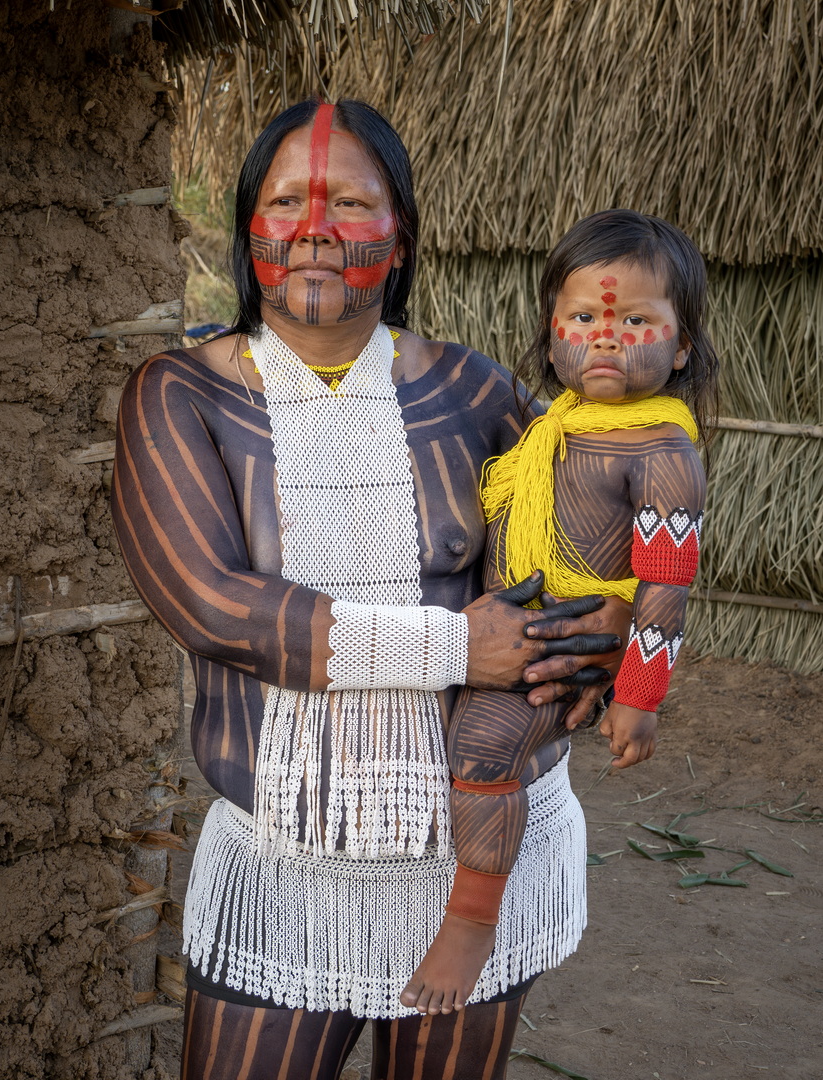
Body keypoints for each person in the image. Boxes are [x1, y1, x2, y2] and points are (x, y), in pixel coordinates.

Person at [111, 100, 630, 1080]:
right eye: (287, 201)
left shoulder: (479, 396)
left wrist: (597, 647)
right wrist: (451, 648)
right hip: (291, 865)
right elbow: (210, 603)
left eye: (351, 202)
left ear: (398, 243)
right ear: (248, 231)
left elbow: (572, 584)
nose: (315, 227)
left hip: (471, 858)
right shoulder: (183, 398)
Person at [401, 210, 719, 1017]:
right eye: (583, 319)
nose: (605, 339)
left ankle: (471, 922)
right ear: (551, 337)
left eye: (636, 321)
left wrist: (640, 700)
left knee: (479, 746)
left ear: (681, 346)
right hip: (496, 637)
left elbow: (664, 591)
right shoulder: (547, 428)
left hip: (553, 654)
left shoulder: (664, 455)